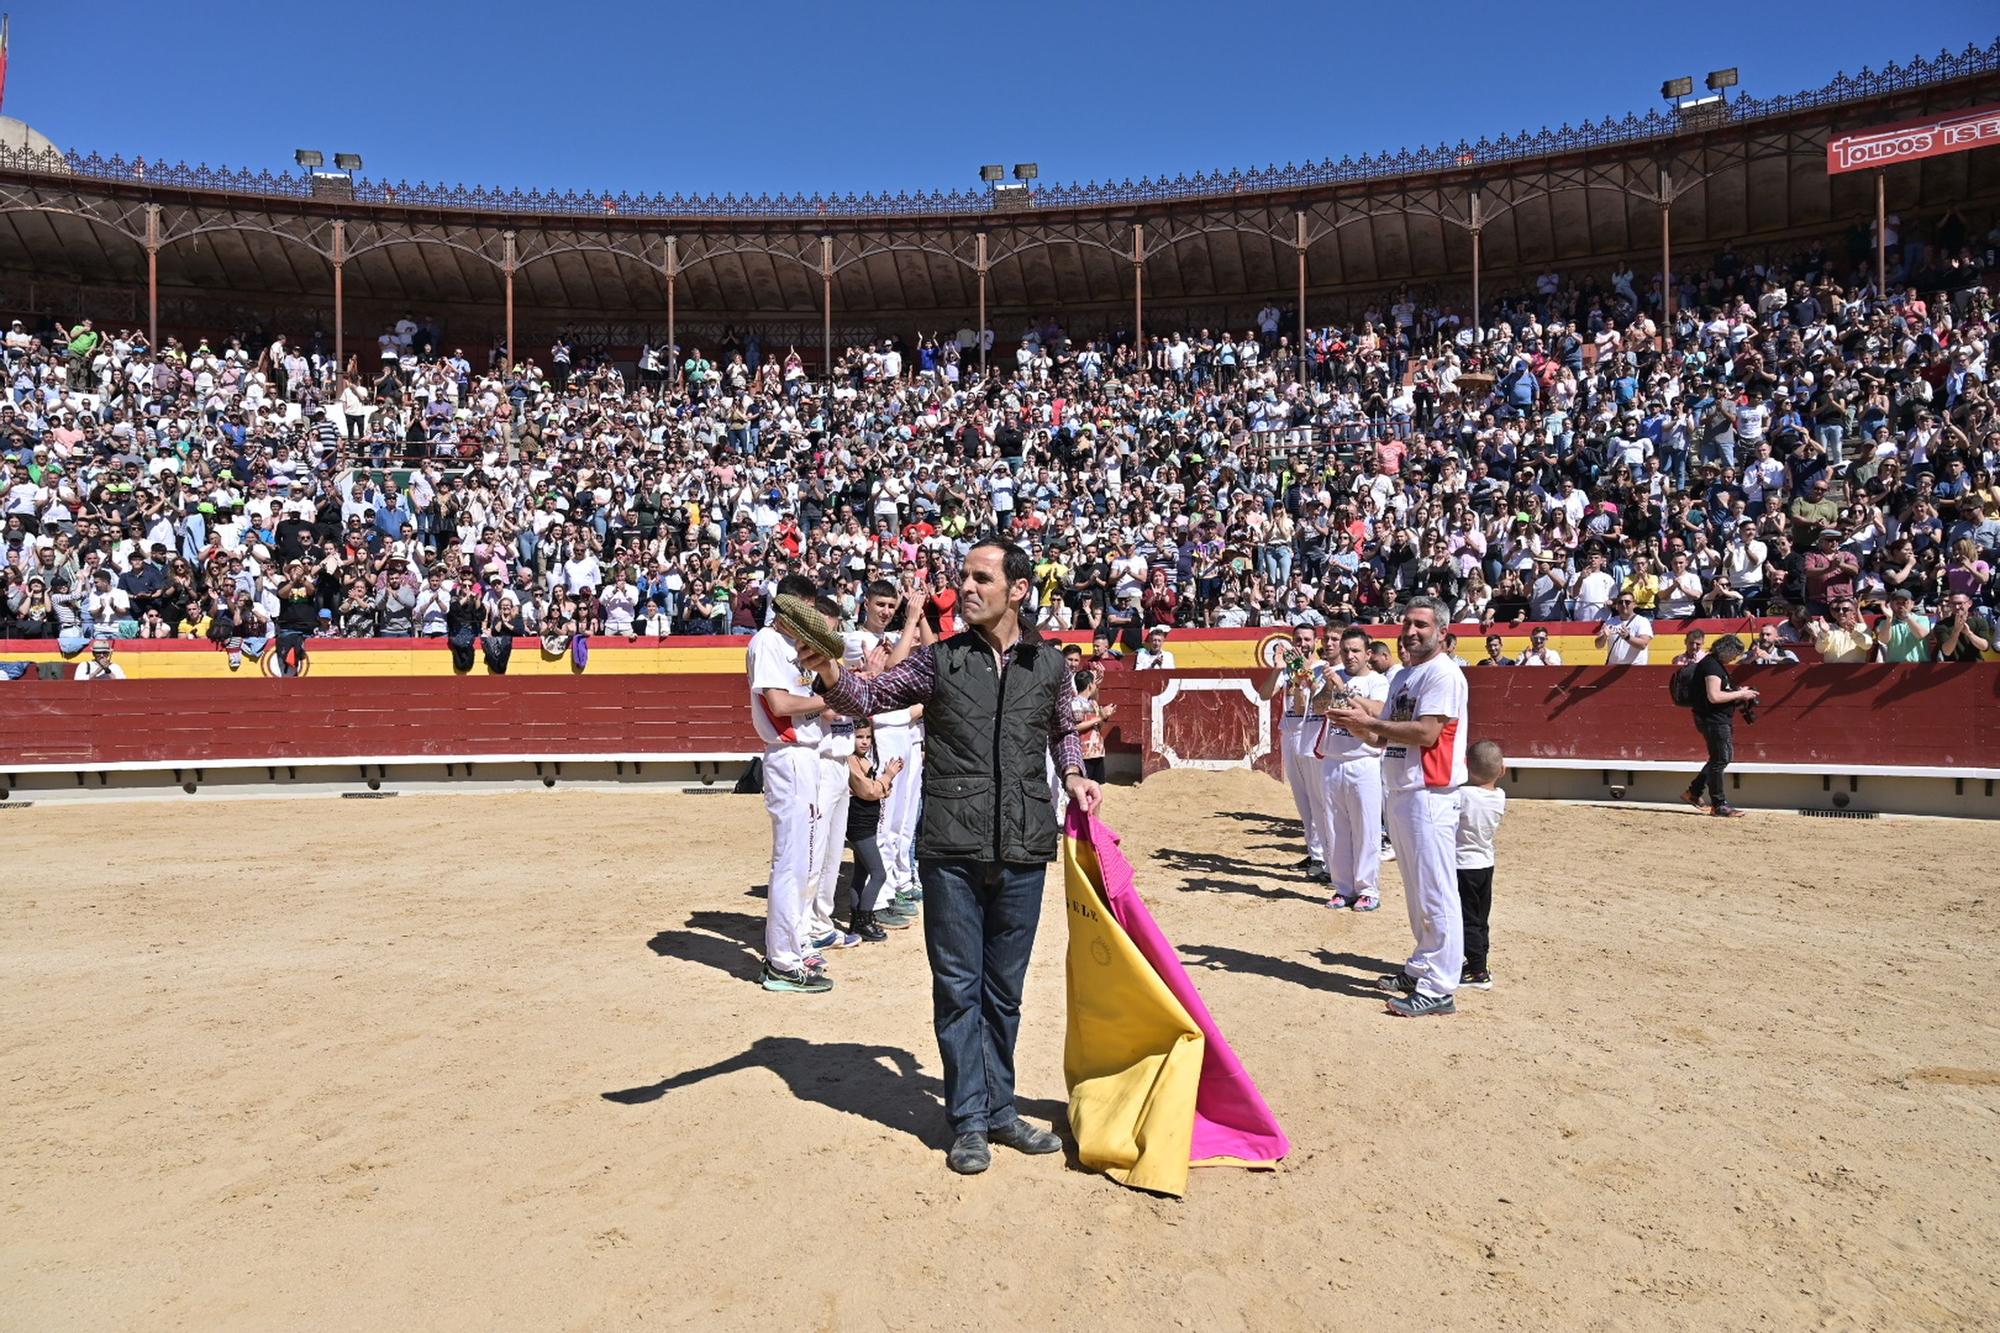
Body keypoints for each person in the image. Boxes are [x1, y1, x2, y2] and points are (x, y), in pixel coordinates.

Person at [801, 537, 1100, 1175]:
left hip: (1023, 843)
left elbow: (1061, 728)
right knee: (959, 987)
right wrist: (829, 668)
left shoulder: (1049, 665)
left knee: (1006, 990)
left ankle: (999, 1108)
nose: (965, 587)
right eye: (962, 576)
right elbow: (867, 698)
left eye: (980, 578)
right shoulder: (939, 662)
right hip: (951, 846)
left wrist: (1073, 774)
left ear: (1018, 589)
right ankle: (968, 1117)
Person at [1329, 596, 1468, 1018]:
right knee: (1417, 889)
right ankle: (1423, 964)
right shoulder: (1407, 675)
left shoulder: (1443, 674)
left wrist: (1370, 724)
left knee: (1436, 890)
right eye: (1407, 623)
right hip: (1405, 789)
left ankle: (1441, 985)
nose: (1410, 631)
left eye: (1421, 625)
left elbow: (1426, 733)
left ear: (1441, 631)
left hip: (1430, 791)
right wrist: (1358, 722)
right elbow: (1382, 738)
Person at [747, 572, 834, 994]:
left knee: (807, 858)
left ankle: (795, 942)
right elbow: (779, 703)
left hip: (805, 756)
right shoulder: (767, 643)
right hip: (789, 755)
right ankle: (781, 960)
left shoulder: (789, 646)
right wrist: (826, 701)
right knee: (790, 861)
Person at [851, 578, 929, 922]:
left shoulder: (894, 639)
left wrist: (920, 615)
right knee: (883, 821)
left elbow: (929, 652)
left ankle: (895, 884)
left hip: (903, 732)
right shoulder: (855, 640)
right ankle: (877, 899)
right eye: (880, 604)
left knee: (903, 818)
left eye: (891, 607)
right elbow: (894, 670)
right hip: (881, 732)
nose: (885, 612)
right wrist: (910, 621)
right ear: (866, 603)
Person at [1316, 627, 1390, 913]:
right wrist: (1328, 686)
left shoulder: (1377, 681)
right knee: (1336, 829)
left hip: (1364, 761)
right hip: (1333, 760)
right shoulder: (1334, 675)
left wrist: (1343, 689)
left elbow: (1378, 711)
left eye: (1356, 651)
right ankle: (1343, 888)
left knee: (1366, 827)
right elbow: (1320, 707)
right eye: (1346, 650)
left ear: (1368, 654)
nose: (1349, 656)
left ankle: (1368, 888)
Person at [806, 595, 864, 956]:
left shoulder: (833, 666)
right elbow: (828, 712)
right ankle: (807, 924)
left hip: (841, 762)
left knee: (830, 850)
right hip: (821, 761)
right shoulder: (808, 666)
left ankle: (821, 922)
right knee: (815, 850)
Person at [1260, 626, 1328, 883]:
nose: (1303, 644)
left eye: (1307, 639)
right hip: (1290, 735)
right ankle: (1314, 853)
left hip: (1312, 735)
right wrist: (1277, 668)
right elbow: (1264, 694)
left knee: (1317, 799)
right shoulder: (1287, 669)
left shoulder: (1322, 668)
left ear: (1315, 641)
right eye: (1298, 639)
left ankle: (1323, 856)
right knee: (1303, 801)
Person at [842, 721, 910, 942]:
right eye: (859, 737)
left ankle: (856, 922)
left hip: (865, 823)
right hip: (860, 825)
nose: (864, 742)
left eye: (868, 737)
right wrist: (888, 777)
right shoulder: (852, 761)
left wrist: (884, 782)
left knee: (861, 873)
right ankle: (864, 920)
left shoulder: (862, 760)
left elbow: (878, 791)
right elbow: (868, 791)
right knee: (878, 873)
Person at [1683, 634, 1758, 818]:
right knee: (1720, 760)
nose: (1734, 658)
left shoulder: (1714, 664)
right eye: (1734, 654)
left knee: (1719, 758)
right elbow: (1714, 696)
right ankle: (1718, 804)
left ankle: (1694, 792)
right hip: (1714, 719)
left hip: (1714, 718)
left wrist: (1739, 692)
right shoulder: (1712, 666)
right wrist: (1740, 695)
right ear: (1727, 650)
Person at [1456, 739, 1507, 991]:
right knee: (1480, 917)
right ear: (1503, 771)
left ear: (1466, 766)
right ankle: (1481, 961)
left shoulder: (1462, 795)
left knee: (1466, 919)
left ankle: (1478, 971)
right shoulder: (1499, 796)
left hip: (1462, 865)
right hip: (1485, 863)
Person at [1927, 592, 1994, 663]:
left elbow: (1985, 647)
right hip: (1951, 667)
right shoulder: (1941, 625)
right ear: (1949, 605)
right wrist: (1956, 631)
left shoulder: (1979, 622)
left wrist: (1969, 633)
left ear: (1969, 603)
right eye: (1953, 603)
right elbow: (1947, 651)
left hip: (1975, 666)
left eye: (1960, 603)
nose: (1957, 607)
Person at [1597, 593, 1654, 665]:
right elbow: (1598, 645)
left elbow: (1643, 644)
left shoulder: (1642, 621)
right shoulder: (1610, 621)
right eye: (1620, 602)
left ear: (1634, 604)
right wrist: (1604, 636)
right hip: (1613, 668)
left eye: (1627, 602)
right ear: (1617, 606)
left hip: (1635, 668)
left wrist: (1628, 637)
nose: (1624, 605)